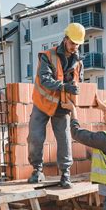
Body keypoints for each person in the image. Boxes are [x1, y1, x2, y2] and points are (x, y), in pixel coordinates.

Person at [27, 23, 85, 189]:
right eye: (73, 42)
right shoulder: (48, 56)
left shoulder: (79, 61)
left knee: (64, 139)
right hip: (42, 102)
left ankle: (65, 173)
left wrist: (73, 96)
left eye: (78, 44)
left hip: (62, 105)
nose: (75, 46)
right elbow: (44, 79)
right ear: (65, 39)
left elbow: (77, 81)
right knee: (35, 137)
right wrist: (64, 87)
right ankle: (37, 170)